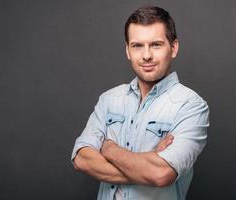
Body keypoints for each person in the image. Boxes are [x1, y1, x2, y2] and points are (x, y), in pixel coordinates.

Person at [71, 6, 209, 200]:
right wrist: (146, 163)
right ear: (128, 50)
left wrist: (110, 149)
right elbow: (82, 159)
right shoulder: (109, 100)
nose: (146, 56)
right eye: (137, 46)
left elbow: (161, 174)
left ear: (174, 47)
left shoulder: (191, 106)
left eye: (156, 45)